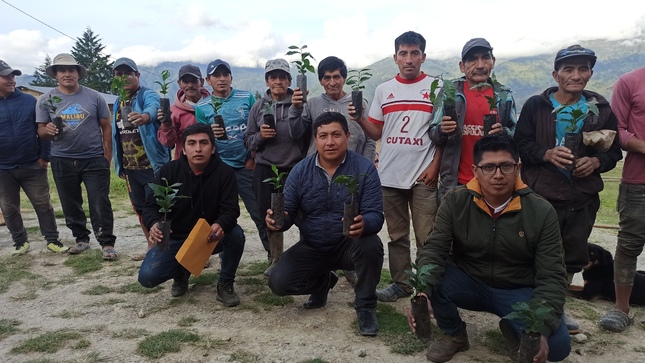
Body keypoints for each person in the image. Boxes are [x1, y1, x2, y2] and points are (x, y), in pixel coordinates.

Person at [410, 134, 570, 363]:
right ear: (475, 170)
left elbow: (552, 274)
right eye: (488, 167)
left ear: (518, 167)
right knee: (435, 279)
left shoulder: (540, 211)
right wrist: (422, 291)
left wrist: (540, 330)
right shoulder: (456, 201)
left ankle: (512, 326)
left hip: (518, 290)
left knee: (557, 347)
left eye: (506, 166)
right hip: (469, 281)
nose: (497, 175)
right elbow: (435, 248)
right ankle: (455, 334)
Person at [514, 44, 622, 332]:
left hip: (582, 197)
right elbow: (521, 144)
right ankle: (528, 309)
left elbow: (614, 153)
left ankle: (555, 311)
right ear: (556, 74)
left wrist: (596, 162)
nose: (576, 75)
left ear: (590, 73)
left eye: (583, 68)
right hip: (542, 196)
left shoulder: (600, 109)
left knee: (571, 258)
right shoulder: (537, 106)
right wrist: (546, 154)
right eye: (569, 69)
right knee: (533, 254)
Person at [267, 112, 384, 336]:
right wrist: (277, 220)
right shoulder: (300, 171)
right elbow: (288, 213)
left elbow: (376, 214)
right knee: (278, 283)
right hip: (314, 245)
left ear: (347, 136)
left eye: (336, 135)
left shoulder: (364, 169)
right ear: (315, 139)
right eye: (323, 136)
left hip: (349, 244)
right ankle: (322, 283)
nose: (330, 142)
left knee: (371, 245)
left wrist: (365, 223)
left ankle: (366, 306)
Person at [353, 31, 441, 301]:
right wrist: (358, 119)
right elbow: (376, 133)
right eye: (403, 53)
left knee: (427, 237)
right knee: (397, 235)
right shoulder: (383, 90)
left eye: (415, 53)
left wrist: (435, 166)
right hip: (389, 176)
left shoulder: (437, 87)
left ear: (423, 57)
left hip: (423, 175)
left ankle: (427, 288)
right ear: (395, 58)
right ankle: (401, 284)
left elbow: (443, 134)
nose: (409, 59)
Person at [288, 55, 377, 286]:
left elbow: (368, 139)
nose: (332, 82)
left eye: (336, 76)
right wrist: (295, 109)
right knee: (313, 220)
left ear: (344, 78)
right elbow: (297, 132)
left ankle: (351, 267)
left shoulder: (358, 102)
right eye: (326, 78)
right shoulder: (313, 103)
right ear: (321, 81)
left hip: (352, 172)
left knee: (349, 219)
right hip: (316, 172)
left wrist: (365, 168)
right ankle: (319, 273)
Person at [139, 123, 245, 306]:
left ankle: (225, 283)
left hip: (207, 236)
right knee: (148, 277)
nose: (198, 148)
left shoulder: (225, 173)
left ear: (212, 148)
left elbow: (231, 209)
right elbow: (149, 206)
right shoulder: (168, 172)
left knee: (235, 234)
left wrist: (221, 224)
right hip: (174, 237)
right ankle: (180, 272)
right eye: (191, 143)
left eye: (204, 143)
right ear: (184, 149)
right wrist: (154, 223)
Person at [35, 53, 117, 260]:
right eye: (62, 70)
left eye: (71, 70)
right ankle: (81, 239)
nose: (67, 74)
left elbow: (106, 127)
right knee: (70, 203)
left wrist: (107, 155)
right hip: (62, 159)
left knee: (99, 201)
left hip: (93, 158)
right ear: (55, 74)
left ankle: (107, 242)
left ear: (78, 73)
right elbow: (41, 131)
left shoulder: (94, 97)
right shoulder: (46, 100)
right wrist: (49, 129)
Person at [430, 38, 516, 200]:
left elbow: (516, 134)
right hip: (456, 182)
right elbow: (433, 132)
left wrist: (504, 133)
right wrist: (442, 129)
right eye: (472, 59)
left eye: (485, 57)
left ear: (493, 62)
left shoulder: (504, 95)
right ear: (462, 66)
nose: (480, 65)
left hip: (495, 181)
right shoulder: (450, 93)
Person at [244, 58, 307, 277]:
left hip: (295, 169)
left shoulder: (300, 103)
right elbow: (248, 140)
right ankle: (275, 258)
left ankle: (306, 257)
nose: (278, 81)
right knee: (270, 215)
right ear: (267, 81)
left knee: (303, 215)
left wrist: (297, 110)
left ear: (290, 80)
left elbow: (306, 136)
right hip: (265, 170)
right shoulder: (259, 106)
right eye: (273, 77)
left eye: (282, 77)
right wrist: (260, 137)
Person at [0, 60, 65, 255]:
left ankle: (53, 240)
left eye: (13, 76)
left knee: (43, 204)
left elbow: (42, 129)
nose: (12, 80)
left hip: (32, 164)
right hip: (3, 168)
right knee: (9, 208)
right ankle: (20, 242)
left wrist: (44, 157)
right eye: (6, 76)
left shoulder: (29, 101)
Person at [598, 66, 645, 332]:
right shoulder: (629, 82)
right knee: (629, 245)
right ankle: (621, 308)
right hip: (639, 181)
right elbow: (617, 130)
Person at [206, 59, 268, 259]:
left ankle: (272, 252)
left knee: (258, 210)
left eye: (225, 75)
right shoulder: (203, 107)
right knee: (218, 212)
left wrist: (253, 157)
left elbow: (256, 129)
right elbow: (203, 140)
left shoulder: (246, 97)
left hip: (246, 165)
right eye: (216, 75)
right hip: (220, 168)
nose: (222, 79)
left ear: (231, 77)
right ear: (208, 80)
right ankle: (225, 251)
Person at [111, 57, 171, 260]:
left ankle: (171, 248)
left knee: (162, 206)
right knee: (140, 209)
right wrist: (118, 164)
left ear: (137, 75)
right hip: (130, 167)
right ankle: (151, 246)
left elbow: (154, 108)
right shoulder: (118, 101)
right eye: (119, 74)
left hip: (152, 166)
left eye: (128, 73)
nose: (124, 77)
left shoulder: (147, 94)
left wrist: (145, 116)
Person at [158, 64, 213, 159]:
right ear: (179, 83)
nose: (190, 85)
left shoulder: (214, 105)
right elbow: (167, 142)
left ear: (202, 82)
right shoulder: (173, 112)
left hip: (213, 161)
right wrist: (166, 125)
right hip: (185, 164)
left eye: (194, 81)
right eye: (185, 81)